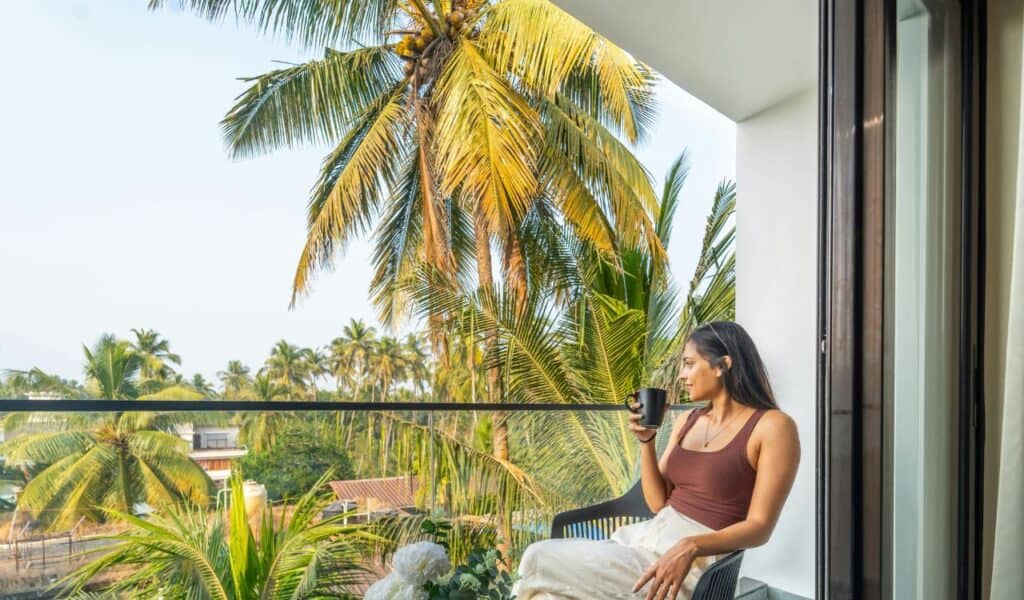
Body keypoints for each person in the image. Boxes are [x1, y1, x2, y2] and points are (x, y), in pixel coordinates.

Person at [513, 321, 801, 599]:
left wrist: (691, 545)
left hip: (692, 565)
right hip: (644, 541)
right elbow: (657, 503)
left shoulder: (773, 427)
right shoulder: (688, 421)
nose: (681, 375)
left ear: (722, 365)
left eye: (689, 364)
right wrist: (647, 441)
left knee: (536, 558)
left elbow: (760, 526)